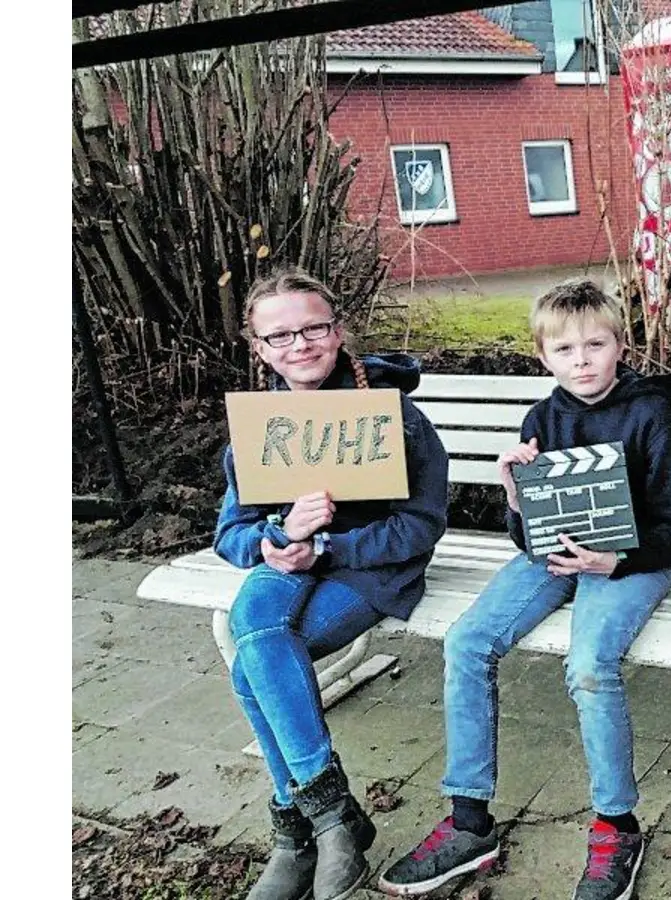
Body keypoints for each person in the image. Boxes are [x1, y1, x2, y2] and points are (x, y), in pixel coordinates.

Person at [378, 278, 671, 900]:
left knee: (588, 665)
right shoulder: (542, 418)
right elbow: (527, 538)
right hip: (555, 555)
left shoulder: (651, 415)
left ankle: (617, 823)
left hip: (632, 559)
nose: (581, 361)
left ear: (619, 345)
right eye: (565, 350)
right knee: (468, 641)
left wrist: (619, 560)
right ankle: (469, 819)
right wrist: (515, 499)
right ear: (543, 356)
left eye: (595, 345)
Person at [214, 269, 450, 900]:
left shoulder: (393, 416)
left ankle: (298, 829)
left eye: (313, 327)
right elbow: (230, 532)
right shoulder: (261, 428)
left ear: (338, 331)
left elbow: (423, 524)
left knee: (251, 667)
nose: (300, 344)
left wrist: (325, 545)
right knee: (259, 637)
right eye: (280, 335)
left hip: (367, 571)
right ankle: (330, 819)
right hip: (286, 563)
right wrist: (271, 540)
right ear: (260, 348)